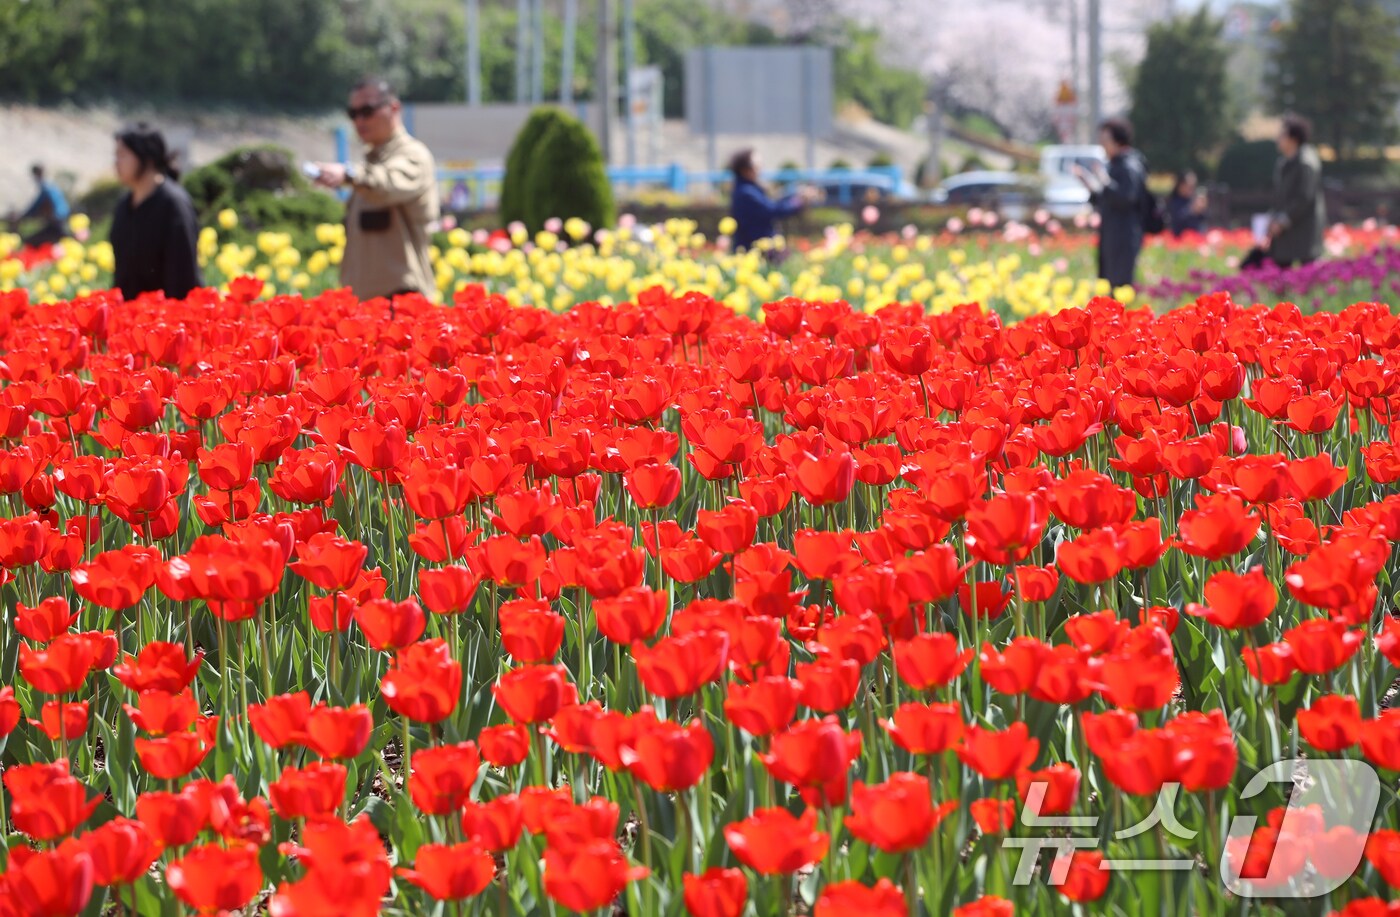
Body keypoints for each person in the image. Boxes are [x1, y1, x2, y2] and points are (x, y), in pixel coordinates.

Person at [310, 76, 440, 302]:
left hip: (402, 302)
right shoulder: (371, 165)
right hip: (366, 304)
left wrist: (349, 174)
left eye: (367, 111)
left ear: (394, 108)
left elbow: (386, 185)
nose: (359, 120)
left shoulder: (413, 155)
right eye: (353, 114)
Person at [109, 124, 203, 301]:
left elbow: (183, 277)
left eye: (122, 155)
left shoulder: (173, 204)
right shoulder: (124, 206)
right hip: (130, 319)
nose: (116, 162)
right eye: (115, 156)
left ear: (148, 158)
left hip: (166, 320)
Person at [1242, 114, 1325, 271]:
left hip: (1302, 230)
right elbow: (1279, 197)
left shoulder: (1306, 163)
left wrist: (1282, 221)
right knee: (1281, 275)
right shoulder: (1284, 162)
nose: (1277, 139)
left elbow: (1304, 198)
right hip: (1284, 232)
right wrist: (1273, 219)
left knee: (1306, 276)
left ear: (1293, 138)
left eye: (1282, 135)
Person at [1073, 118, 1148, 289]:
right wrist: (1089, 184)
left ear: (1118, 141)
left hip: (1124, 237)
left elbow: (1126, 198)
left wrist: (1104, 181)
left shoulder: (1130, 166)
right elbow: (1105, 199)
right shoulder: (1114, 165)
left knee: (1120, 287)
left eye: (1105, 141)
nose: (1102, 146)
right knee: (1108, 286)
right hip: (1111, 236)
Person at [728, 149, 819, 257]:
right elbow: (772, 210)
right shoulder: (746, 192)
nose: (760, 170)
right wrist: (798, 201)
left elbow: (774, 203)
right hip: (754, 250)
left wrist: (797, 196)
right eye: (757, 166)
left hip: (758, 248)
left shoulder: (747, 189)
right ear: (745, 170)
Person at [8, 164, 70, 248]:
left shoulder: (46, 189)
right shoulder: (51, 186)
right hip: (61, 220)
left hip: (56, 222)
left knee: (31, 242)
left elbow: (36, 205)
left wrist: (23, 216)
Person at [1167, 170, 1208, 237]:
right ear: (1181, 185)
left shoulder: (1192, 198)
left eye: (1194, 186)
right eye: (1190, 186)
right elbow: (1178, 220)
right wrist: (1192, 210)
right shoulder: (1174, 200)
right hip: (1180, 238)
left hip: (1197, 237)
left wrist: (1202, 208)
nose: (1192, 189)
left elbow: (1203, 219)